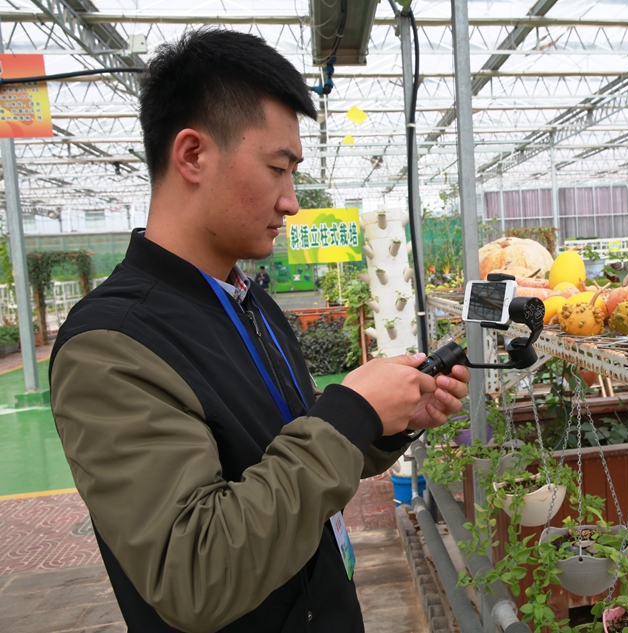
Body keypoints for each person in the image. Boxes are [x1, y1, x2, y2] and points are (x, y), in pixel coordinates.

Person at [48, 28, 469, 633]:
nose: (291, 201)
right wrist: (350, 413)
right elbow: (195, 572)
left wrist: (384, 423)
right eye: (277, 169)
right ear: (192, 155)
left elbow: (284, 457)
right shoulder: (112, 346)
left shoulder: (252, 305)